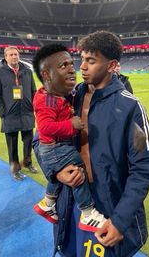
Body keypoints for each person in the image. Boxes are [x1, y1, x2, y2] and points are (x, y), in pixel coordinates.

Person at [33, 30, 149, 257]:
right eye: (82, 60)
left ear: (111, 65)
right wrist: (55, 171)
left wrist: (120, 221)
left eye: (91, 61)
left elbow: (143, 168)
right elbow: (40, 139)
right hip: (68, 200)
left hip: (104, 209)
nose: (82, 67)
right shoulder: (68, 96)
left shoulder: (130, 107)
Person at [32, 44, 107, 232]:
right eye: (63, 65)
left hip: (58, 154)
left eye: (71, 63)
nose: (73, 68)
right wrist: (70, 125)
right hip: (57, 151)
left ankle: (48, 203)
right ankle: (88, 213)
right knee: (78, 169)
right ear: (47, 75)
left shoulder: (65, 95)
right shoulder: (48, 99)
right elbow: (42, 132)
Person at [0, 46, 38, 181]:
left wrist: (33, 107)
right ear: (5, 57)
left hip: (27, 113)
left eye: (16, 54)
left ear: (19, 55)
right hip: (10, 115)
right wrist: (3, 113)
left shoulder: (27, 72)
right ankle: (15, 169)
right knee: (12, 144)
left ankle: (28, 163)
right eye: (10, 55)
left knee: (28, 142)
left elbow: (34, 91)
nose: (14, 57)